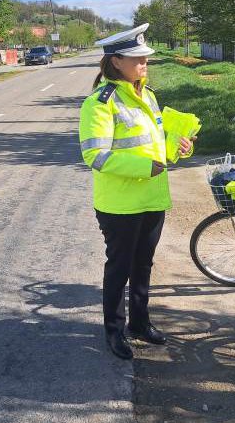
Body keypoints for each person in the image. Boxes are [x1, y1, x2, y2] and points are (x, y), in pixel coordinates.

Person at [79, 23, 194, 360]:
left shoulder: (148, 95)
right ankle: (114, 331)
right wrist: (145, 167)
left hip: (151, 199)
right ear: (116, 62)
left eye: (146, 58)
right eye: (137, 58)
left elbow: (156, 145)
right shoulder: (100, 103)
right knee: (120, 268)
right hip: (120, 205)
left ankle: (140, 323)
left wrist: (179, 147)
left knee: (144, 265)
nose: (145, 63)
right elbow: (95, 155)